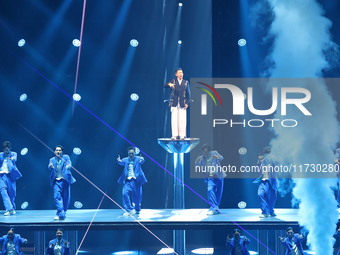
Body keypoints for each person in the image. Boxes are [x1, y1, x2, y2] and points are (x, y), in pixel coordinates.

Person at [195, 144, 225, 215]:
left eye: (207, 152)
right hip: (210, 177)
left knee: (218, 192)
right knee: (210, 190)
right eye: (204, 152)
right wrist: (196, 160)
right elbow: (197, 165)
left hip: (218, 176)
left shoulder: (214, 153)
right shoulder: (201, 158)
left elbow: (221, 158)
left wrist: (217, 157)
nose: (206, 153)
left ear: (209, 151)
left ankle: (216, 207)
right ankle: (213, 207)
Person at [48, 145, 76, 220]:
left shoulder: (66, 157)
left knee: (66, 197)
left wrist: (68, 166)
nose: (58, 151)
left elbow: (69, 164)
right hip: (56, 181)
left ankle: (62, 212)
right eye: (57, 150)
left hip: (65, 180)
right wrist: (50, 166)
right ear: (54, 152)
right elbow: (49, 166)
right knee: (56, 197)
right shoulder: (52, 159)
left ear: (62, 151)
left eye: (60, 150)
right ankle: (60, 213)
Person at [117, 147, 147, 215]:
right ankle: (129, 209)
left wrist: (142, 159)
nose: (131, 155)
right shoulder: (125, 160)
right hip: (128, 181)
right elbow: (121, 162)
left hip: (136, 181)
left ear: (134, 153)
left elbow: (142, 161)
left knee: (137, 196)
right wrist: (118, 161)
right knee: (125, 194)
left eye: (132, 153)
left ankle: (137, 207)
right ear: (128, 153)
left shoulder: (138, 158)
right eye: (129, 153)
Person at [164, 68, 191, 140]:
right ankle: (174, 135)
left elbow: (189, 95)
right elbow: (164, 85)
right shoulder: (173, 81)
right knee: (174, 119)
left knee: (182, 120)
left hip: (182, 103)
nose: (180, 74)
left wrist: (187, 103)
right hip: (174, 103)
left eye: (181, 73)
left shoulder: (186, 82)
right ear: (176, 74)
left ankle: (182, 135)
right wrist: (169, 84)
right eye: (179, 73)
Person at [253, 146, 278, 218]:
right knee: (260, 194)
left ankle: (270, 210)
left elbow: (277, 163)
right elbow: (259, 169)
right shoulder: (262, 160)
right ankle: (265, 212)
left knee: (272, 197)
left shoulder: (274, 159)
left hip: (272, 181)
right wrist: (259, 161)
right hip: (263, 181)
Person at [0, 141, 22, 216]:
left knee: (12, 194)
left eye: (7, 149)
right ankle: (9, 208)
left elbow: (14, 158)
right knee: (3, 190)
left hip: (10, 176)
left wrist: (12, 159)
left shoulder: (13, 154)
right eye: (5, 149)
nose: (6, 151)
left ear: (10, 148)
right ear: (3, 149)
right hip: (1, 176)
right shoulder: (0, 155)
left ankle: (12, 208)